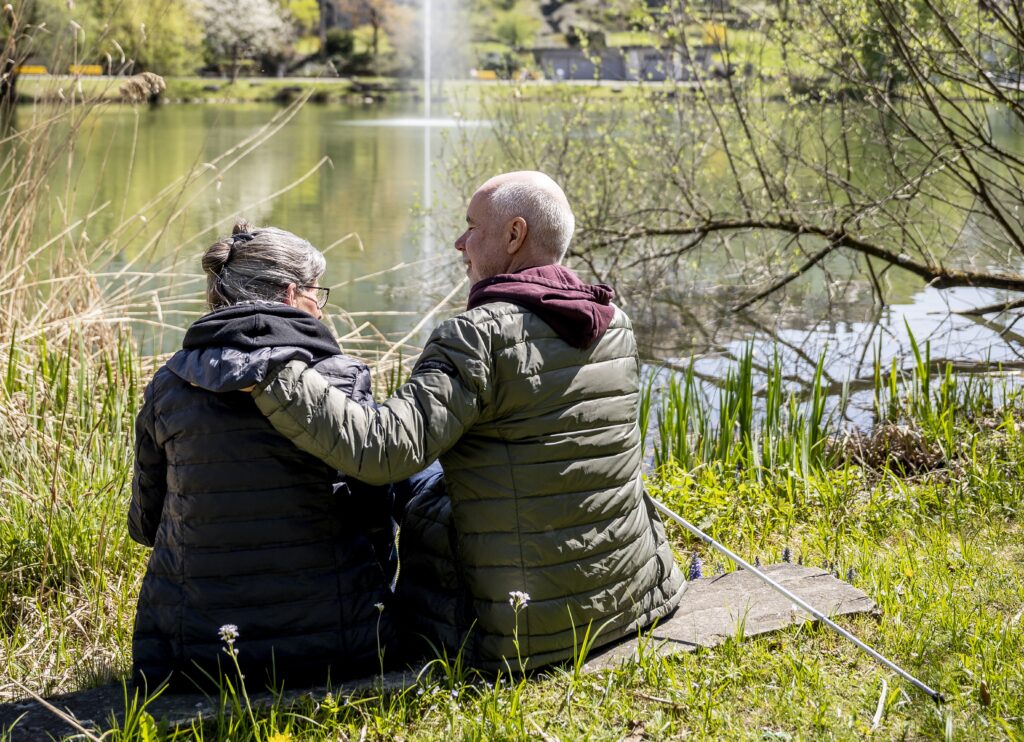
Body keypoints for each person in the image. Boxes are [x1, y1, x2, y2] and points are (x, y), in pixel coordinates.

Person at [251, 172, 687, 671]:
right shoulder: (615, 324)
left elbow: (383, 451)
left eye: (471, 226)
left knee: (410, 482)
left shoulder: (477, 336)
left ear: (514, 235)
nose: (460, 242)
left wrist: (274, 373)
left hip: (517, 628)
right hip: (629, 598)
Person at [128, 220, 395, 691]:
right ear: (292, 293)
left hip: (191, 657)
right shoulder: (342, 378)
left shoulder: (167, 385)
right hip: (336, 646)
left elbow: (144, 525)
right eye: (319, 293)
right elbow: (378, 518)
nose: (321, 307)